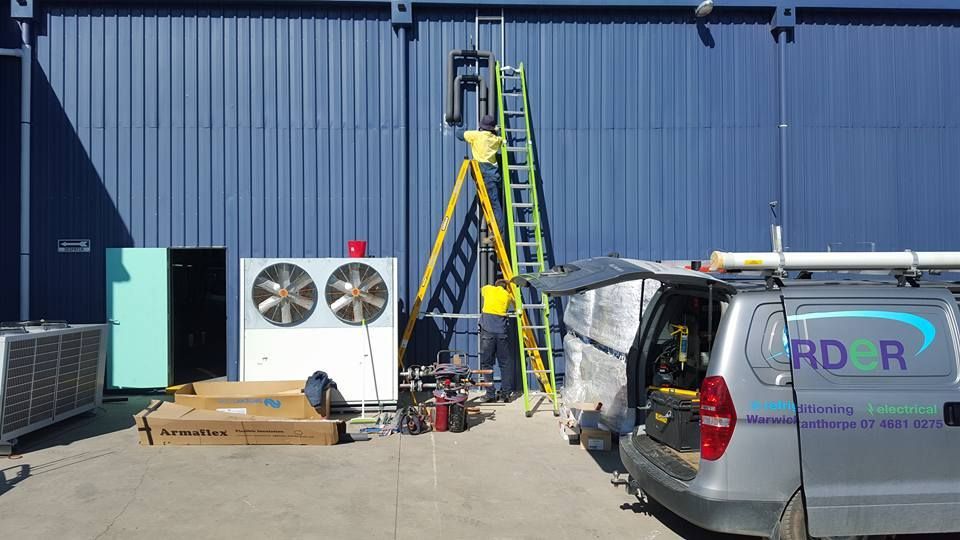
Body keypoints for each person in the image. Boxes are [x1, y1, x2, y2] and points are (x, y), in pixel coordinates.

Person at [462, 115, 505, 241]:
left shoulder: (476, 135)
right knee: (495, 204)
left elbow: (460, 134)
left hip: (484, 174)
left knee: (493, 205)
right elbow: (502, 140)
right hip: (494, 175)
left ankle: (499, 234)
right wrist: (497, 131)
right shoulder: (496, 139)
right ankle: (497, 231)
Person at [478, 278, 516, 403]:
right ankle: (505, 394)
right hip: (501, 334)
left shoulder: (488, 289)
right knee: (504, 364)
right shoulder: (507, 296)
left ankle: (490, 394)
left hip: (487, 333)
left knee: (487, 364)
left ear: (495, 285)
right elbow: (514, 303)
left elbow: (481, 290)